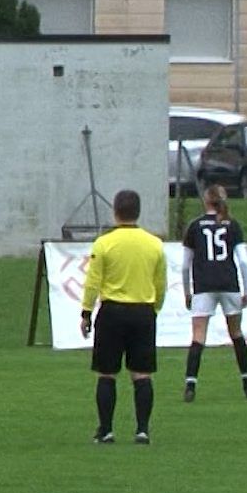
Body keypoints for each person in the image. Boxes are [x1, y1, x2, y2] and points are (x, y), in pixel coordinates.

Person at [79, 190, 167, 444]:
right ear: (138, 212)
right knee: (142, 374)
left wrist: (86, 312)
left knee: (107, 373)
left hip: (112, 312)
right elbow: (160, 283)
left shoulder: (104, 244)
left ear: (115, 211)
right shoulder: (154, 244)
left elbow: (93, 282)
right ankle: (142, 429)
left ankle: (106, 430)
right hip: (143, 311)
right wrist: (154, 309)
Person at [182, 185, 247, 401]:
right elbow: (243, 261)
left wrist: (188, 292)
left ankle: (190, 386)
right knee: (236, 333)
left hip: (204, 286)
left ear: (206, 201)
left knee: (198, 336)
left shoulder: (195, 226)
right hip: (229, 284)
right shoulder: (232, 225)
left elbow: (185, 265)